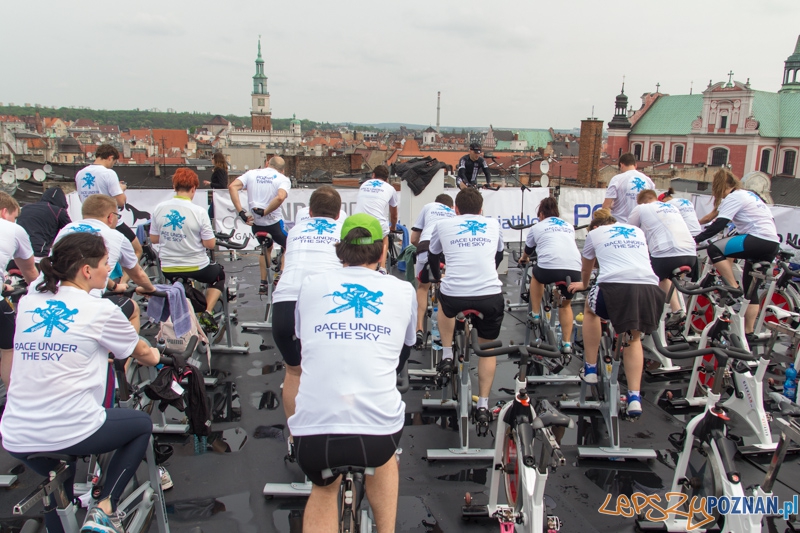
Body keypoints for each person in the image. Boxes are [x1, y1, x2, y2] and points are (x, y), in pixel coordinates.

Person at [0, 232, 161, 533]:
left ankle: (63, 515)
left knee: (59, 486)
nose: (107, 270)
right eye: (104, 264)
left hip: (16, 435)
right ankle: (104, 506)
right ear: (87, 270)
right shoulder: (100, 310)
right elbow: (143, 354)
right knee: (140, 424)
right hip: (71, 428)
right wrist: (159, 354)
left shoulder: (27, 301)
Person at [289, 213, 415, 533]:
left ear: (339, 250)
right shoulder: (403, 291)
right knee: (384, 461)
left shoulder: (310, 286)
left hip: (314, 434)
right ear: (383, 249)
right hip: (377, 435)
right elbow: (404, 350)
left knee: (323, 489)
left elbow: (305, 344)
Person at [568, 208, 665, 418]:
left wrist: (584, 285)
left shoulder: (594, 234)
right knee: (634, 337)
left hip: (613, 287)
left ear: (595, 226)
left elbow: (586, 270)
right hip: (649, 289)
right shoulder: (635, 231)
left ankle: (591, 368)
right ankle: (634, 398)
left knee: (590, 310)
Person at [428, 187, 504, 429]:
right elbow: (499, 256)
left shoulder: (443, 224)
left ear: (456, 210)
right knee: (487, 349)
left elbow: (432, 255)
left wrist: (439, 276)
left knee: (445, 303)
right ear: (481, 210)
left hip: (455, 296)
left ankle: (448, 353)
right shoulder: (493, 225)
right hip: (490, 295)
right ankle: (483, 404)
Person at [272, 186, 344, 422]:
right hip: (322, 300)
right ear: (338, 214)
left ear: (310, 212)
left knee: (293, 371)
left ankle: (294, 437)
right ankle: (332, 426)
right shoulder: (345, 229)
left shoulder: (295, 231)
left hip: (286, 299)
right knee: (333, 370)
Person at [692, 169, 781, 340]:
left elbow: (720, 224)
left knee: (715, 249)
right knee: (751, 289)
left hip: (757, 238)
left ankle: (733, 287)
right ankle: (749, 333)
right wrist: (698, 223)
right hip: (772, 243)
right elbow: (714, 216)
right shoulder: (747, 194)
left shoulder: (733, 197)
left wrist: (696, 239)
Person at [53, 194, 157, 332]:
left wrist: (114, 286)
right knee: (133, 308)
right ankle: (127, 352)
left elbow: (85, 269)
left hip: (48, 295)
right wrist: (150, 289)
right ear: (110, 217)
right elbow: (138, 274)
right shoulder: (116, 237)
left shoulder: (66, 230)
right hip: (84, 305)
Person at [150, 168, 223, 332]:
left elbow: (154, 239)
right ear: (193, 189)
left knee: (182, 279)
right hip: (197, 267)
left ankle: (188, 306)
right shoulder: (199, 211)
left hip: (168, 268)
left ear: (174, 186)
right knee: (219, 274)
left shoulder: (159, 208)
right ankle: (207, 312)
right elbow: (210, 244)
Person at [518, 196, 582, 354]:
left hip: (549, 268)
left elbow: (529, 250)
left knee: (537, 277)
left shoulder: (538, 226)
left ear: (540, 214)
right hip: (574, 269)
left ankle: (535, 313)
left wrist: (524, 259)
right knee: (565, 306)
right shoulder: (568, 226)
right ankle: (567, 344)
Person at [628, 190, 696, 328]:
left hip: (666, 254)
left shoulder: (641, 208)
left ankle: (646, 320)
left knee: (645, 282)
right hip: (691, 254)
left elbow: (631, 233)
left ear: (642, 201)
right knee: (665, 278)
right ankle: (677, 311)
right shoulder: (672, 207)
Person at [228, 156, 291, 294]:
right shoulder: (282, 179)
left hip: (256, 225)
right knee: (289, 244)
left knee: (266, 249)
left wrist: (241, 212)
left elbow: (232, 186)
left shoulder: (252, 173)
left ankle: (263, 283)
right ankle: (281, 274)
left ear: (267, 163)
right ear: (282, 170)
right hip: (274, 223)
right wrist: (266, 211)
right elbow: (280, 197)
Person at [74, 144, 143, 260]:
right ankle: (125, 278)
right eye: (114, 162)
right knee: (137, 250)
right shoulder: (108, 173)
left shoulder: (80, 174)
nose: (112, 165)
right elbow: (121, 202)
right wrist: (121, 189)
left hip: (88, 222)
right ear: (110, 157)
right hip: (109, 220)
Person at [0, 192, 39, 386]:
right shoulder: (13, 229)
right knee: (9, 347)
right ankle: (12, 398)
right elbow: (30, 271)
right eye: (14, 217)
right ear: (4, 212)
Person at [409, 193, 455, 346]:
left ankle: (419, 329)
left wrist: (421, 250)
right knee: (446, 288)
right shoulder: (454, 213)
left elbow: (414, 239)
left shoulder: (428, 207)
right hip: (447, 249)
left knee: (422, 288)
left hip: (426, 246)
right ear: (451, 207)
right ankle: (445, 333)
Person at [354, 165, 398, 273]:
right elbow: (394, 215)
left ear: (373, 175)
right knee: (384, 237)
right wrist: (393, 227)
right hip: (377, 226)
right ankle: (382, 267)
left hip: (358, 223)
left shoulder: (364, 184)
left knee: (361, 242)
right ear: (387, 179)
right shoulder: (390, 188)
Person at [15, 186, 71, 261]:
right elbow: (72, 230)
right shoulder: (58, 211)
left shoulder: (25, 208)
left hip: (17, 253)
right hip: (38, 255)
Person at [602, 152, 655, 223]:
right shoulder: (648, 180)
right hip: (640, 224)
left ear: (621, 164)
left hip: (620, 223)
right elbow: (652, 204)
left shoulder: (617, 179)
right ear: (635, 165)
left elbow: (606, 205)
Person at [204, 152, 229, 218]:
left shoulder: (219, 170)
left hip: (219, 195)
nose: (212, 160)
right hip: (218, 195)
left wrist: (210, 183)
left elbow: (222, 185)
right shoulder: (222, 170)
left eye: (213, 158)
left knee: (211, 213)